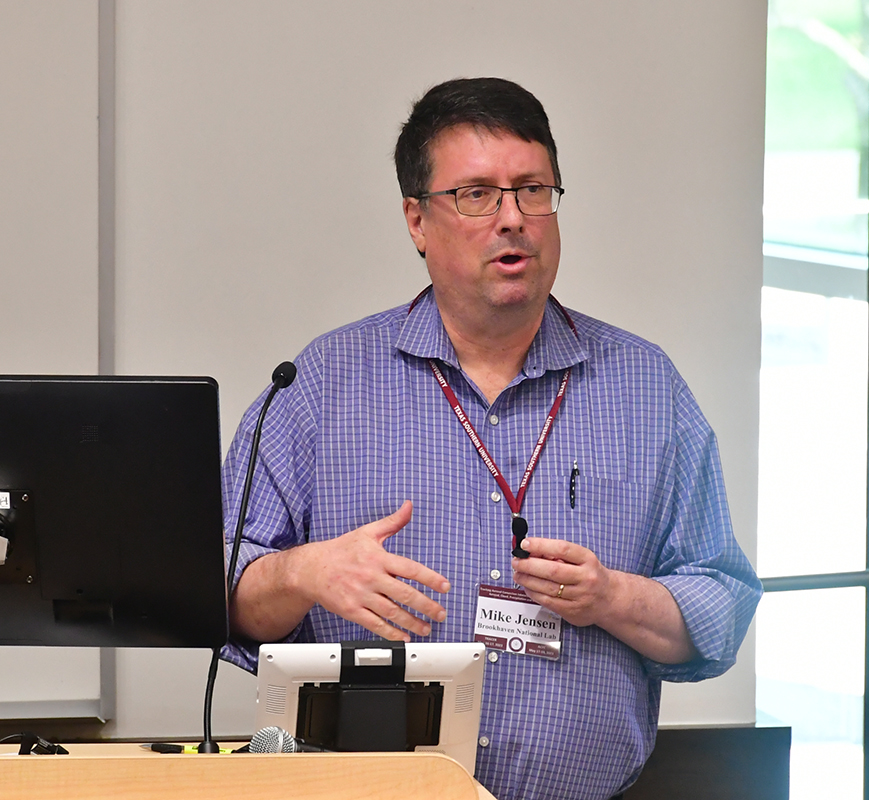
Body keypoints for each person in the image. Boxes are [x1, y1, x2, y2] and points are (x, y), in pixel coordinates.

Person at [219, 77, 761, 800]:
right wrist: (302, 575)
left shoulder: (644, 385)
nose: (513, 219)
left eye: (532, 190)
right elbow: (215, 585)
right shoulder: (323, 382)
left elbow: (719, 608)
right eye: (477, 195)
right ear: (416, 220)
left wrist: (608, 596)